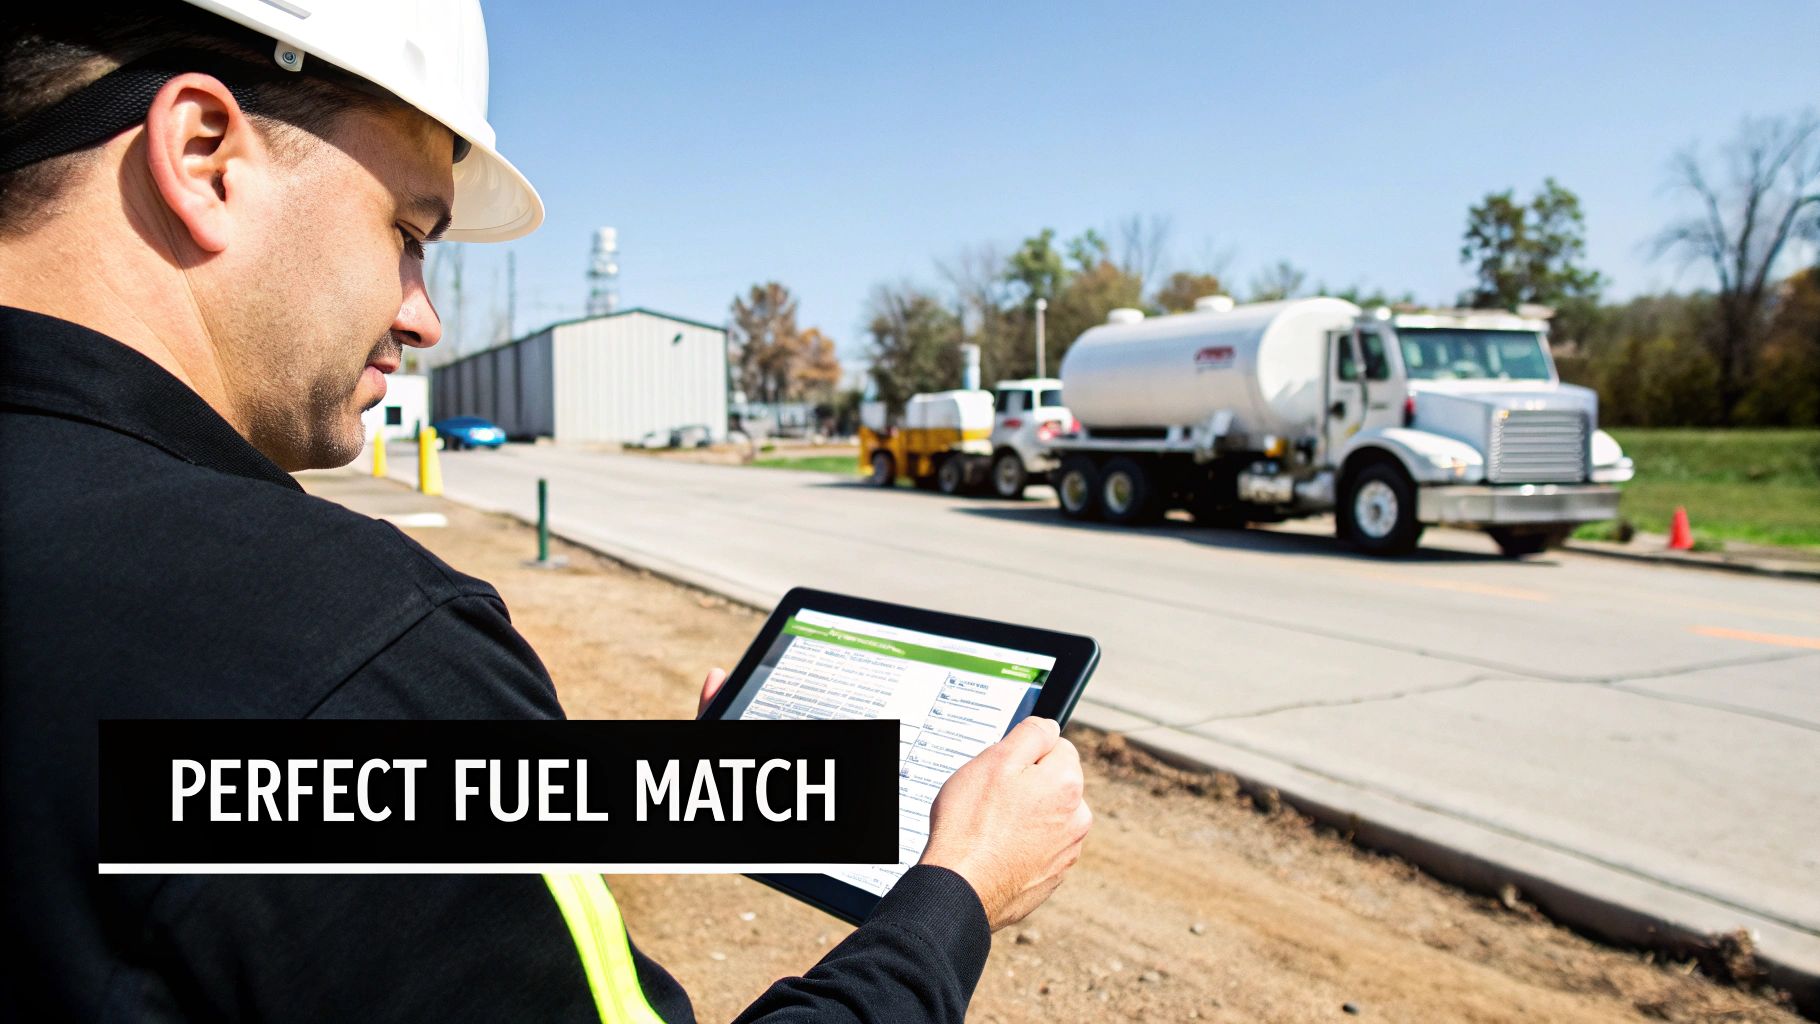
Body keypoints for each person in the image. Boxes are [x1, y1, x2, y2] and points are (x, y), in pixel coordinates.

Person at [0, 4, 1092, 1022]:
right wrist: (952, 896)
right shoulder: (343, 643)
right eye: (409, 229)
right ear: (205, 155)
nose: (422, 317)